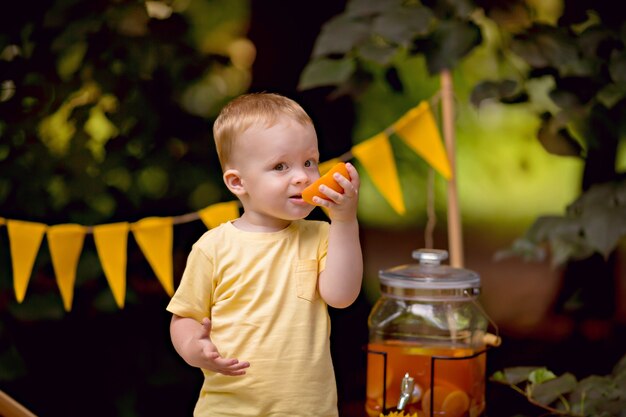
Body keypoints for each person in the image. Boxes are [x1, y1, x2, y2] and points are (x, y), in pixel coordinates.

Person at [166, 92, 363, 416]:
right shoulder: (213, 247)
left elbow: (341, 296)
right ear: (237, 182)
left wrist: (344, 220)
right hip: (229, 408)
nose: (302, 176)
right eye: (280, 166)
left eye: (309, 162)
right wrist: (193, 348)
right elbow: (185, 316)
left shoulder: (323, 235)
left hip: (307, 410)